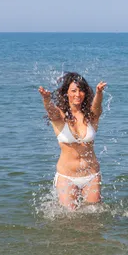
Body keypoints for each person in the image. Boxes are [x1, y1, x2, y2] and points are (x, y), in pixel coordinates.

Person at [38, 72, 107, 209]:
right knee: (68, 219)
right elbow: (52, 112)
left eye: (81, 90)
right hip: (67, 176)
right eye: (73, 91)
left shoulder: (90, 116)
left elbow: (97, 109)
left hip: (91, 175)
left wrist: (99, 93)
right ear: (67, 93)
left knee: (94, 219)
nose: (78, 94)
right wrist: (46, 100)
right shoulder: (60, 116)